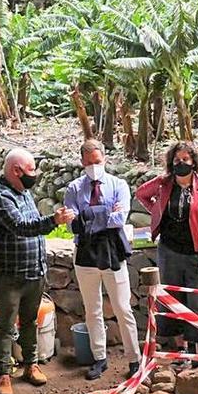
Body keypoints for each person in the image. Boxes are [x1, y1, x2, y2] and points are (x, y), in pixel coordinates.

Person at [0, 147, 76, 394]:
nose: (34, 174)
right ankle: (3, 373)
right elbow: (21, 227)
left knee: (30, 321)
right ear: (16, 170)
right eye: (31, 169)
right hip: (9, 275)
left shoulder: (24, 194)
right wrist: (53, 222)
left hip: (34, 272)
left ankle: (30, 365)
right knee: (4, 326)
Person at [135, 142, 198, 359]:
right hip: (169, 252)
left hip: (197, 255)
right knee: (173, 300)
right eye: (177, 159)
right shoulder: (165, 185)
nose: (181, 163)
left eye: (186, 159)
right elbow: (141, 193)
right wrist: (157, 210)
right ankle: (181, 352)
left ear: (194, 161)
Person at [64, 140, 141, 381]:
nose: (93, 167)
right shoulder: (74, 189)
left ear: (105, 159)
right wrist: (104, 214)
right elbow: (72, 225)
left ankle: (134, 358)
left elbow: (120, 218)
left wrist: (89, 216)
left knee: (122, 307)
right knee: (92, 309)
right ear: (81, 163)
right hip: (85, 254)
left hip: (112, 252)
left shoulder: (119, 185)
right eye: (88, 164)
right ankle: (99, 358)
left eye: (97, 162)